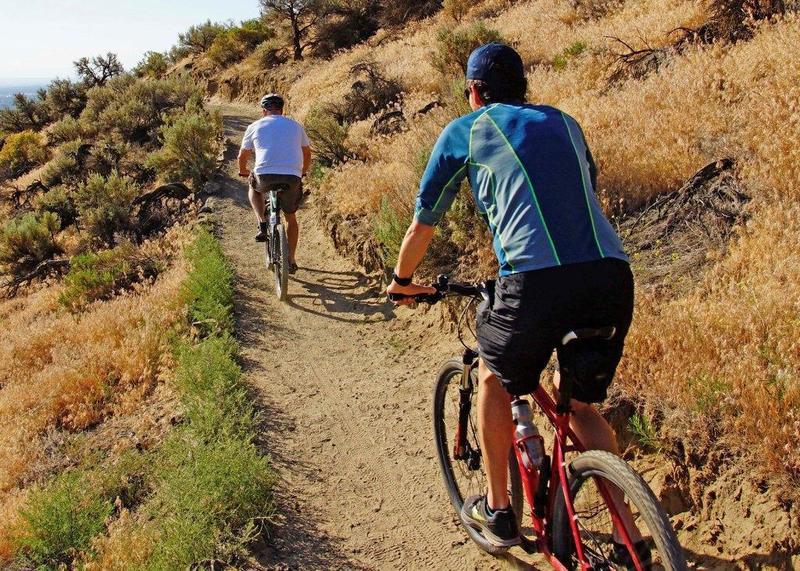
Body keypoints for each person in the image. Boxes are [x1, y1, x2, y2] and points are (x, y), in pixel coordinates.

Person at [386, 43, 648, 564]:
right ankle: (628, 535)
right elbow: (580, 191)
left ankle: (499, 511)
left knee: (491, 376)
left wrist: (402, 280)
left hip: (532, 280)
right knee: (578, 404)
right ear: (523, 86)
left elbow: (424, 222)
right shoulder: (565, 122)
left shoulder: (468, 127)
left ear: (474, 90)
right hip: (610, 276)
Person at [238, 93, 311, 273]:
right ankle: (291, 259)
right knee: (291, 218)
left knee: (253, 186)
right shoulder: (295, 126)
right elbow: (307, 153)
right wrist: (302, 172)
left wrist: (243, 171)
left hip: (264, 174)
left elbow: (242, 156)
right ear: (282, 110)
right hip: (292, 176)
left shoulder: (254, 126)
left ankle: (262, 221)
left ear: (263, 111)